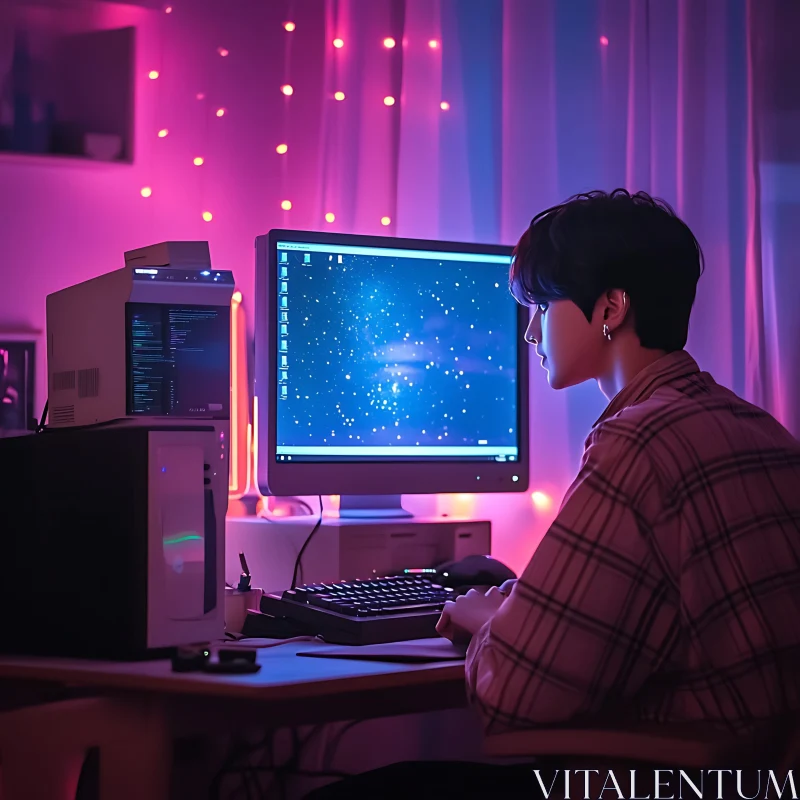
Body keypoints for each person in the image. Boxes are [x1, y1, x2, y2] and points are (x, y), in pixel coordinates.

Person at [305, 190, 800, 798]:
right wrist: (520, 607)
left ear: (611, 308)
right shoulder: (756, 426)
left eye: (542, 304)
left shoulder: (638, 443)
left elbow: (516, 695)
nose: (531, 330)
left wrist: (485, 620)